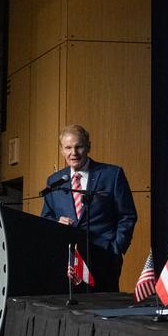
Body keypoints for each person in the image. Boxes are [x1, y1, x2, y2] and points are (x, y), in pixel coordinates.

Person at [40, 124, 137, 292]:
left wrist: (115, 248)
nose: (73, 153)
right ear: (62, 150)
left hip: (104, 259)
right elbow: (46, 218)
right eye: (68, 147)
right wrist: (57, 222)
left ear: (88, 147)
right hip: (68, 263)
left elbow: (127, 215)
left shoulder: (112, 175)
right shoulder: (54, 181)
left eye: (79, 146)